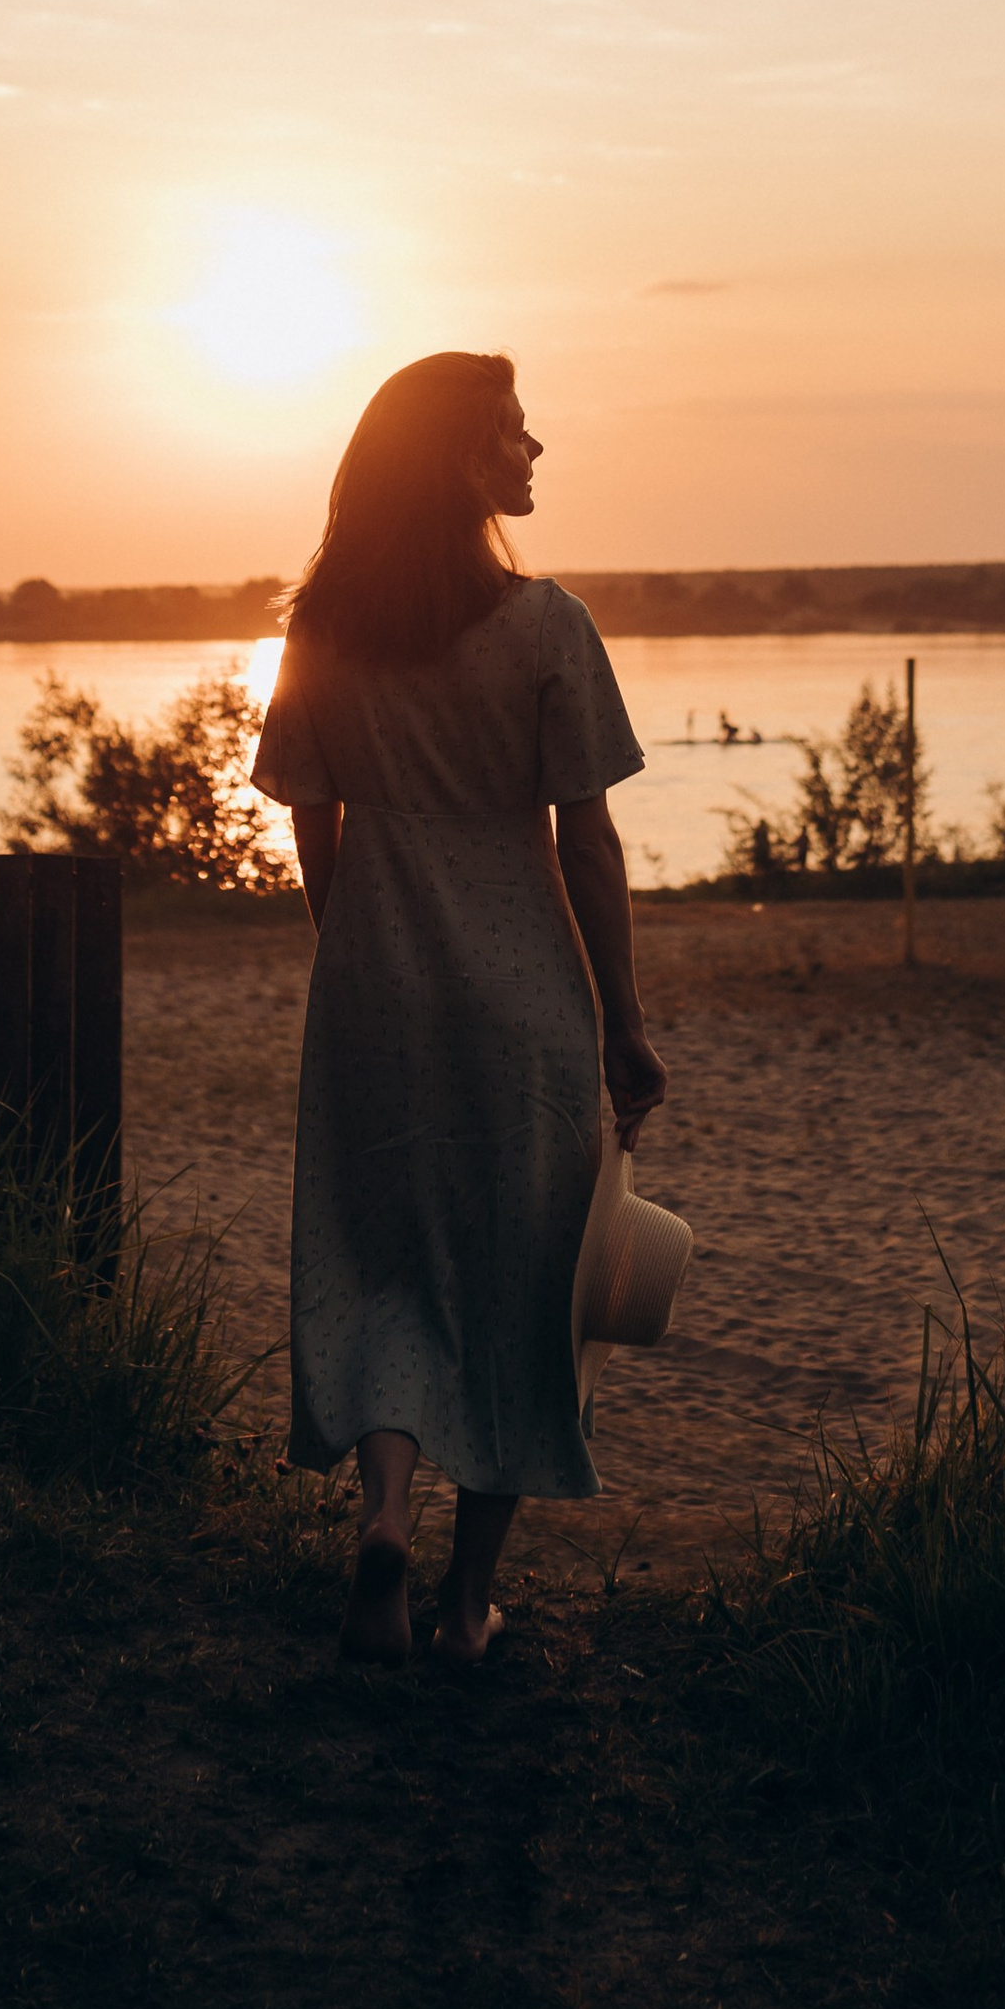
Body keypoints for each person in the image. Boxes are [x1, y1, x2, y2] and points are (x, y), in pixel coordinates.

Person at [251, 352, 667, 1670]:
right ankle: (468, 1598)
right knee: (520, 1275)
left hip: (374, 982)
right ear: (459, 460)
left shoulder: (321, 630)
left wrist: (353, 946)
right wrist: (624, 1023)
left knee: (386, 1257)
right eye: (511, 431)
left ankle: (383, 1517)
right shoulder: (547, 627)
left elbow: (310, 817)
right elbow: (587, 846)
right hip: (522, 994)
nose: (535, 448)